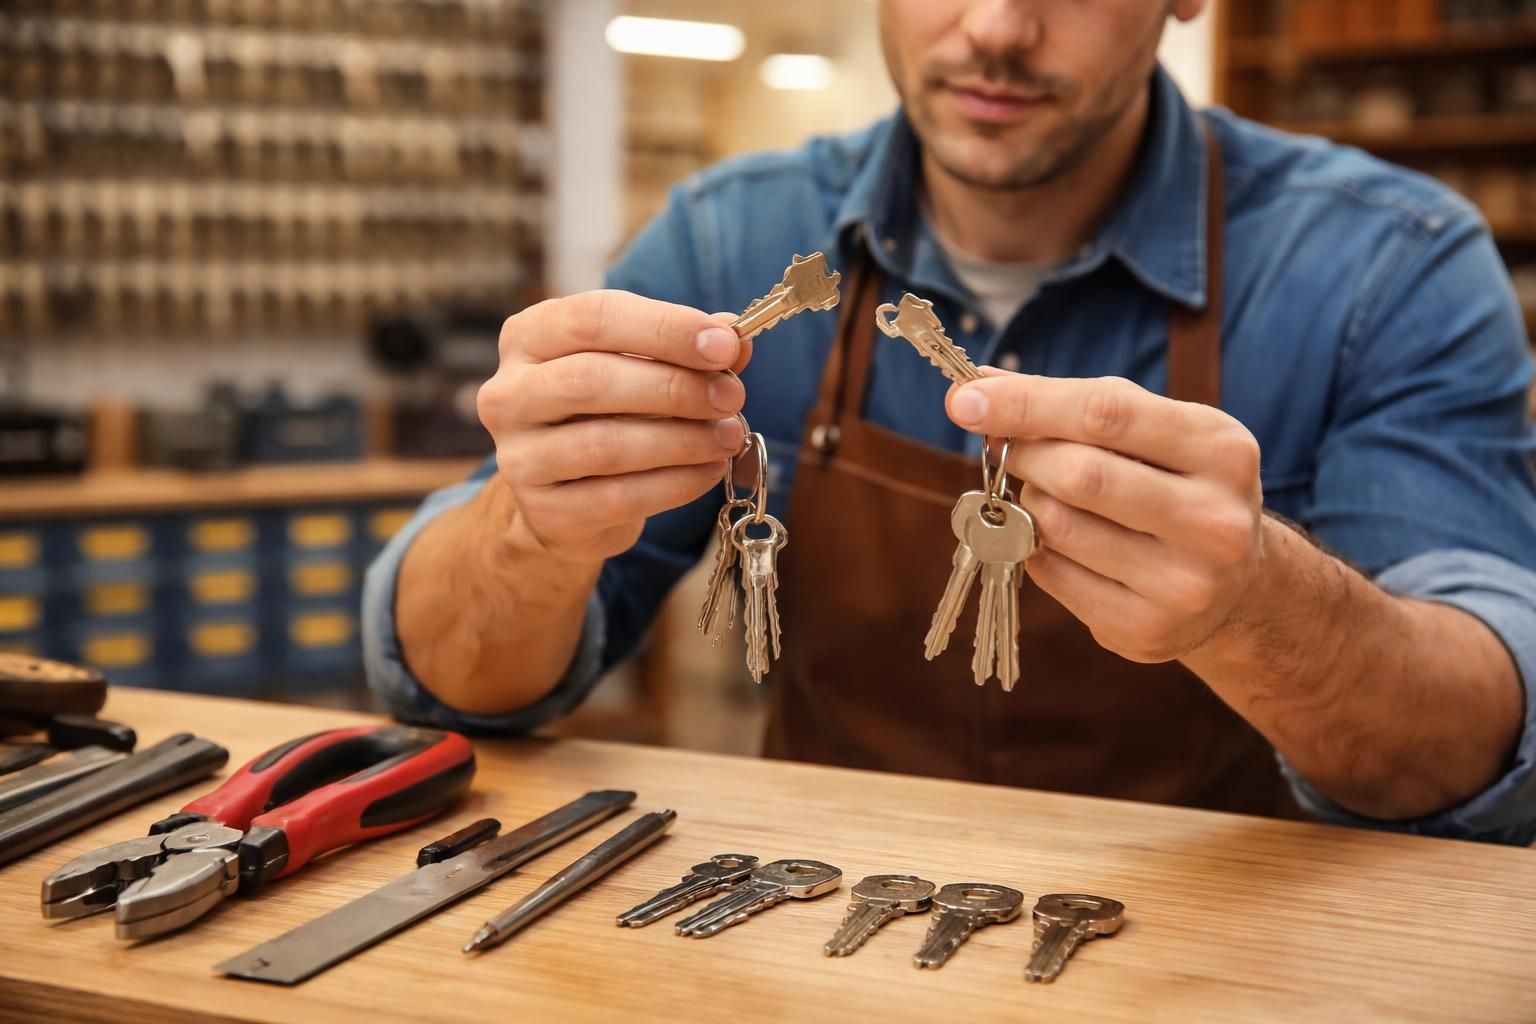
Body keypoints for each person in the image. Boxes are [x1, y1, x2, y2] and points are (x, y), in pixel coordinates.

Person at [362, 0, 1536, 844]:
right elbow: (452, 691)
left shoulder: (1387, 266)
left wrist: (1263, 604)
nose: (996, 26)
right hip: (812, 929)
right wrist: (530, 527)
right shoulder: (728, 239)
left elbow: (1476, 757)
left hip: (1225, 959)